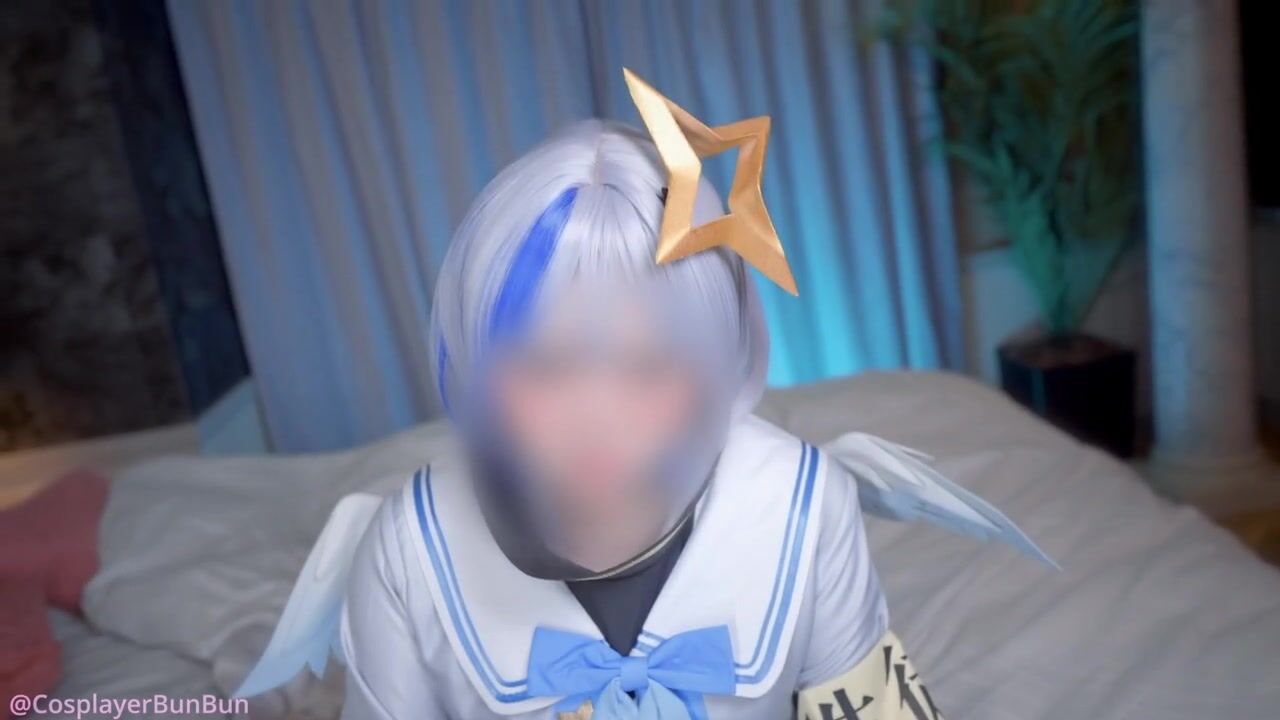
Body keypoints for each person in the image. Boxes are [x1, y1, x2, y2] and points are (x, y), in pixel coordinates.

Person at [236, 70, 1046, 720]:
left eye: (648, 367)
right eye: (546, 366)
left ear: (714, 367)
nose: (598, 421)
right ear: (479, 365)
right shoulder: (409, 550)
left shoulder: (804, 505)